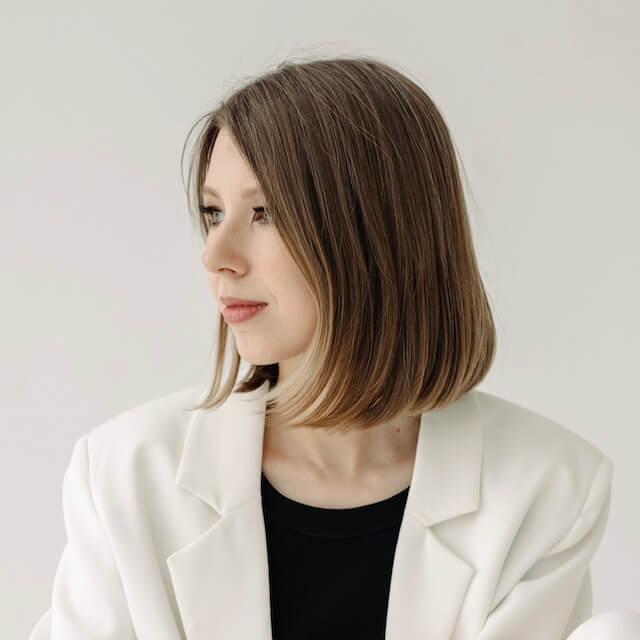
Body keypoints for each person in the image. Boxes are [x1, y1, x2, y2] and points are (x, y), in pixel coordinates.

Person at [29, 54, 630, 639]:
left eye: (265, 213)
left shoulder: (546, 487)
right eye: (213, 212)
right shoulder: (127, 475)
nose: (216, 255)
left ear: (378, 231)